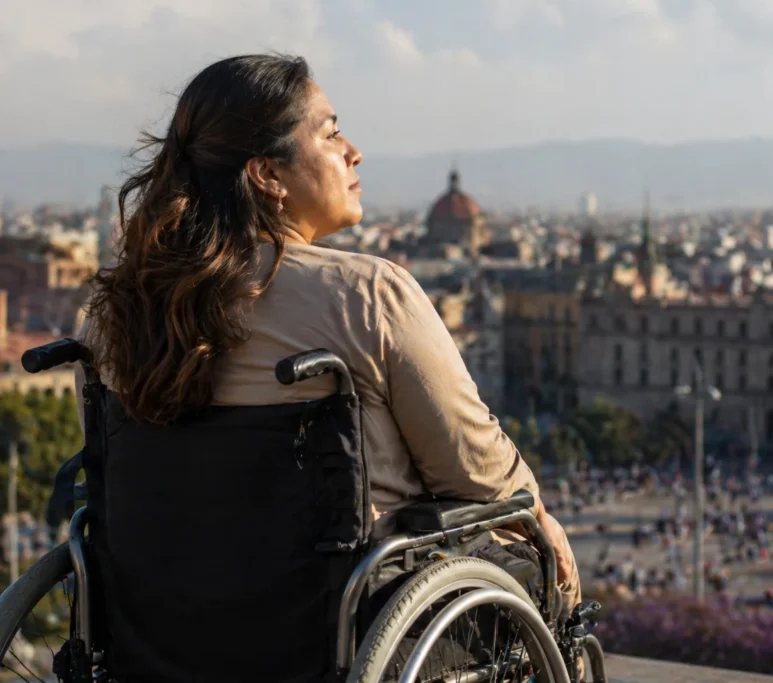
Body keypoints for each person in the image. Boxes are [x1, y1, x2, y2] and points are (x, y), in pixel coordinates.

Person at [75, 54, 579, 617]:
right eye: (331, 132)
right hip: (335, 623)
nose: (353, 151)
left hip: (164, 628)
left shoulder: (115, 310)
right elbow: (476, 470)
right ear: (267, 174)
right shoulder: (369, 295)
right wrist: (536, 514)